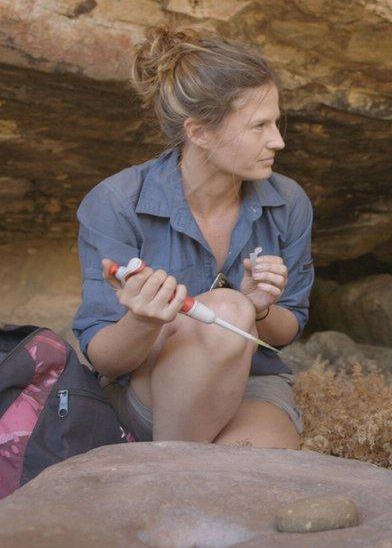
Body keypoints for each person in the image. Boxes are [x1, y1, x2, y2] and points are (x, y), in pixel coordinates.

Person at [72, 26, 313, 449]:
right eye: (259, 126)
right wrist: (144, 320)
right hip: (142, 391)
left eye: (276, 122)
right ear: (200, 132)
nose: (278, 140)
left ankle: (178, 475)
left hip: (250, 385)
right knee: (226, 311)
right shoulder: (114, 202)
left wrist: (260, 308)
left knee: (258, 473)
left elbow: (287, 328)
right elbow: (103, 356)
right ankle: (173, 468)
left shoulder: (289, 201)